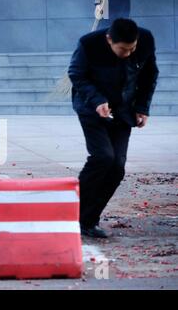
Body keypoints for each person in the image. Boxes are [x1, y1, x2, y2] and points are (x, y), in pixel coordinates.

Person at [68, 18, 159, 238]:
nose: (128, 53)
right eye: (123, 49)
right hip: (92, 108)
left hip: (123, 109)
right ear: (109, 39)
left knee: (117, 167)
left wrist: (142, 107)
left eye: (132, 48)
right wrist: (98, 100)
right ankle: (70, 211)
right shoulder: (89, 44)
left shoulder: (145, 40)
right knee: (102, 158)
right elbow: (76, 74)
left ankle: (88, 221)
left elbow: (149, 75)